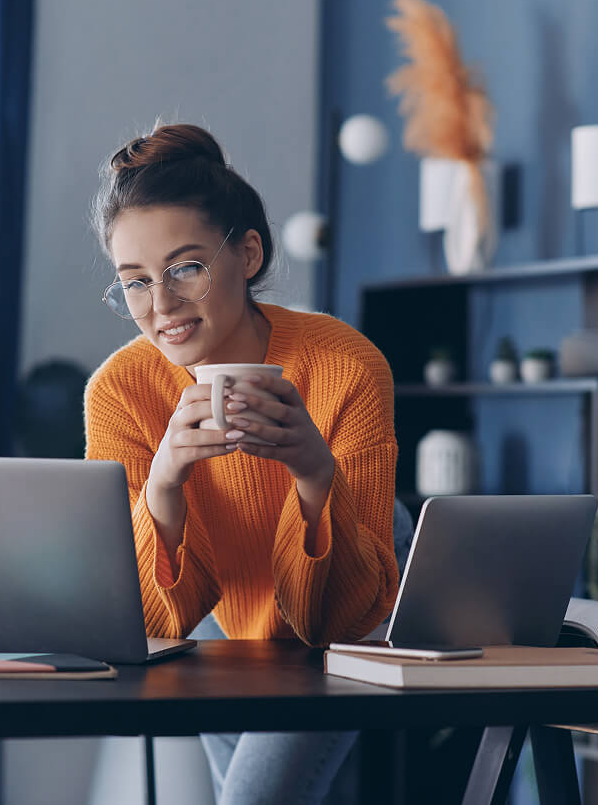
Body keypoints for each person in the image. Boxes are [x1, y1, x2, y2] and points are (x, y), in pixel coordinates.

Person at [84, 122, 399, 805]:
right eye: (134, 283)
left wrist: (316, 473)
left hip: (352, 604)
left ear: (248, 253)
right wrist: (164, 481)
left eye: (185, 268)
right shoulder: (121, 392)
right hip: (219, 614)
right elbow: (144, 624)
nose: (160, 307)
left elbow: (343, 618)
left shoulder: (345, 365)